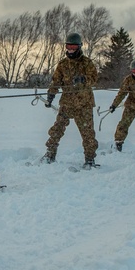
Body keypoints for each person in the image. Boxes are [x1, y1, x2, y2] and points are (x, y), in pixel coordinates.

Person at [42, 33, 100, 169]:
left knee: (88, 133)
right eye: (68, 47)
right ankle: (50, 154)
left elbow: (94, 78)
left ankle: (90, 159)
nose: (71, 50)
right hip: (67, 104)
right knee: (57, 129)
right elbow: (56, 81)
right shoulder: (62, 64)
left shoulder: (87, 63)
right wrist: (51, 94)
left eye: (73, 47)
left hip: (84, 104)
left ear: (79, 47)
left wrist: (83, 79)